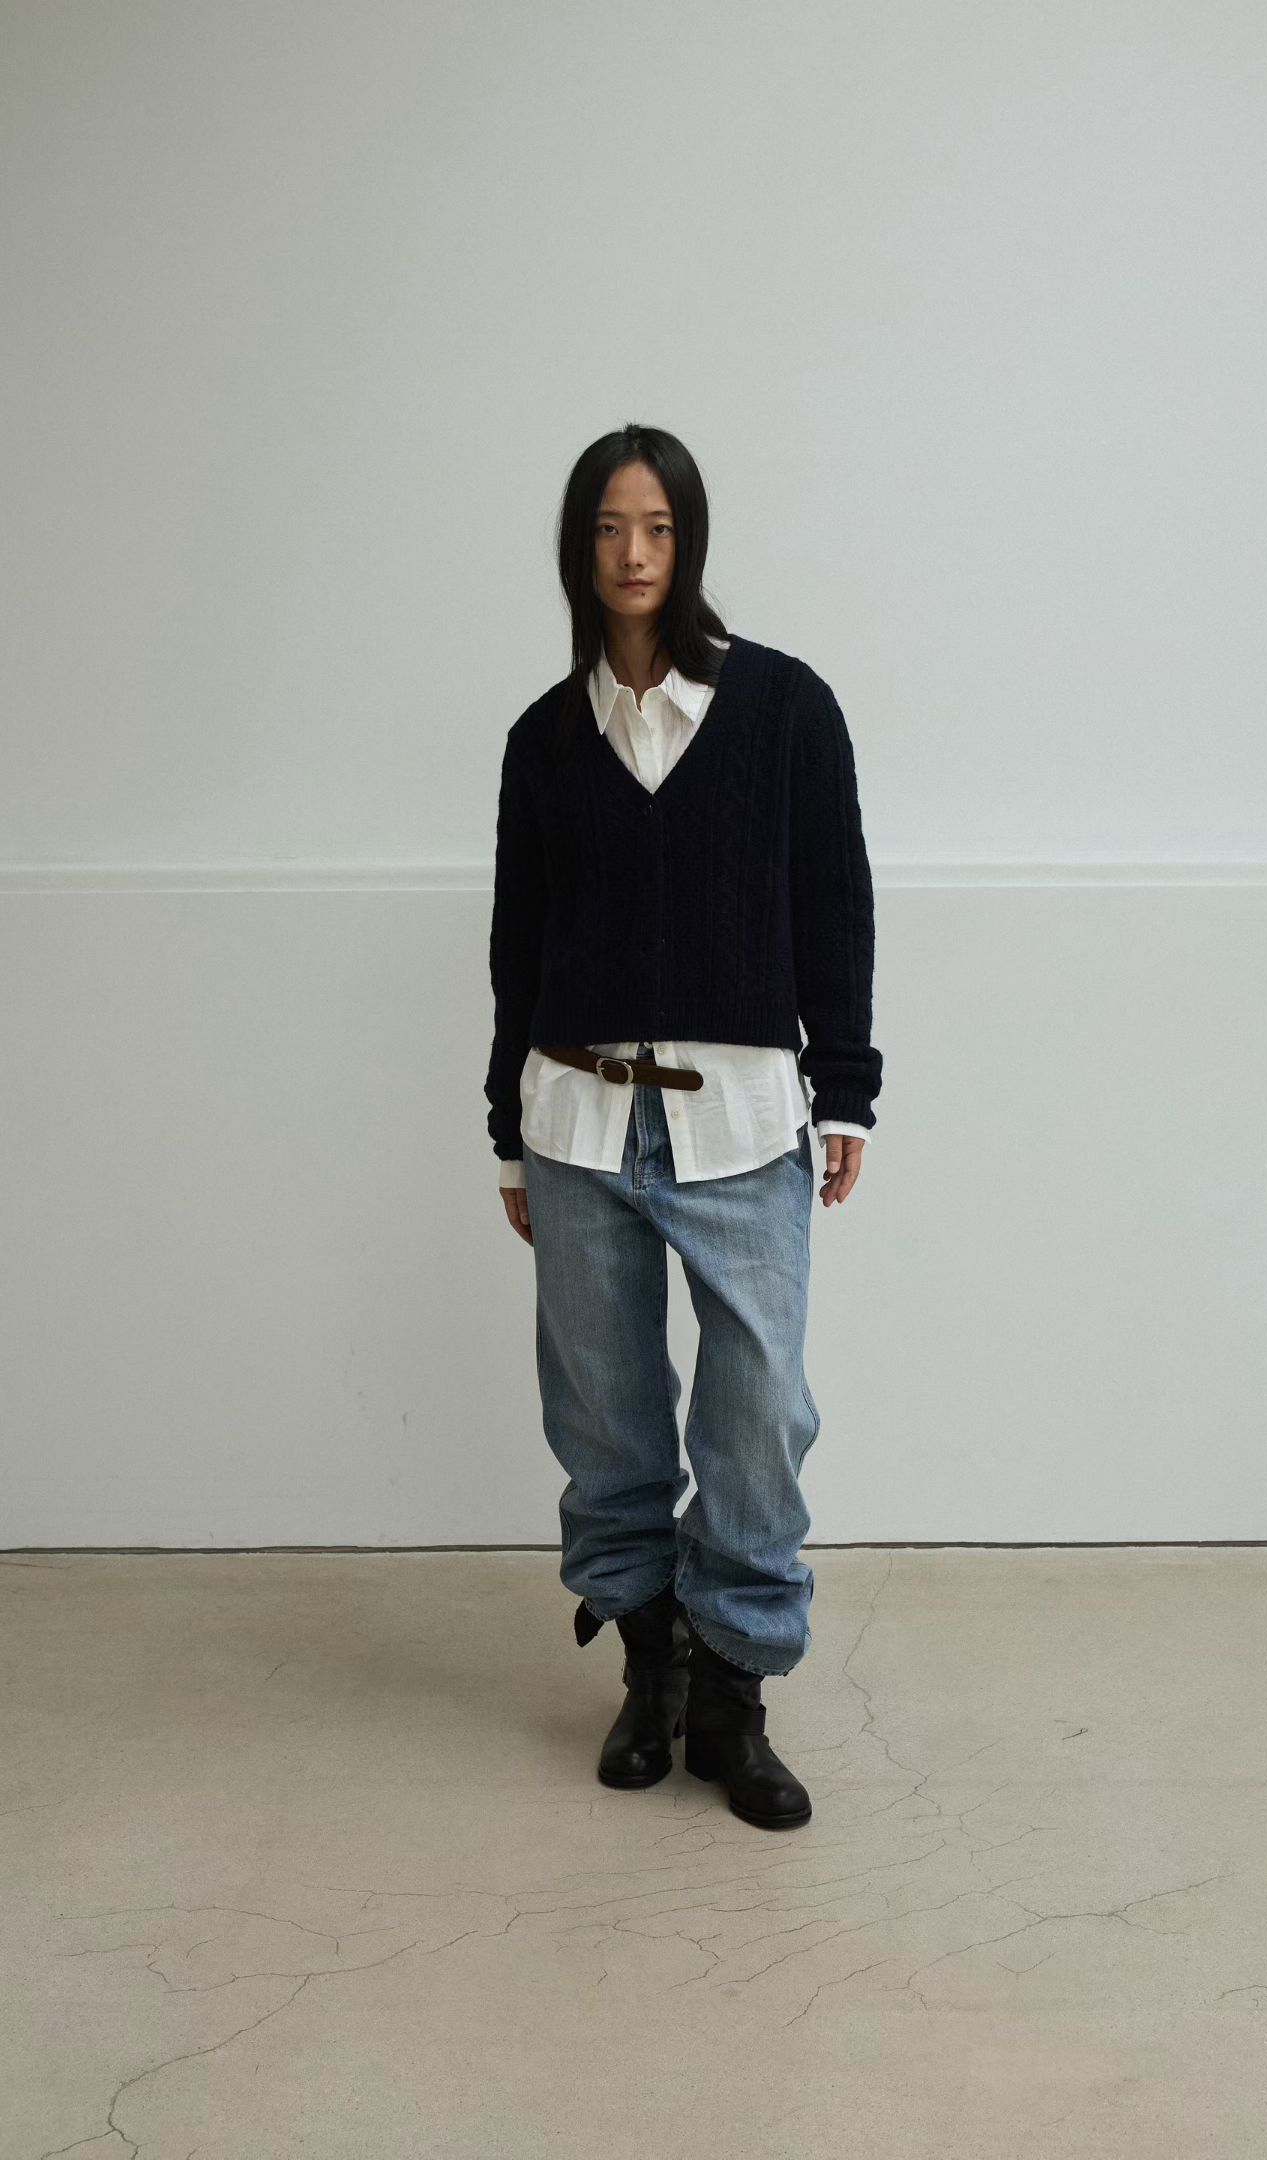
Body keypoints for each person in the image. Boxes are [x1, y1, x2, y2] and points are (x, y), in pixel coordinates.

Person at [484, 423, 882, 1831]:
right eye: (608, 527)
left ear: (690, 539)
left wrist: (849, 1087)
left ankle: (734, 1691)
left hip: (744, 1120)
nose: (633, 553)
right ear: (578, 548)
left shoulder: (784, 709)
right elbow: (518, 944)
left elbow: (833, 902)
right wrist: (506, 1126)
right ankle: (648, 1666)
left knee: (758, 1410)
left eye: (655, 526)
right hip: (577, 1121)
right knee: (604, 1417)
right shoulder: (545, 738)